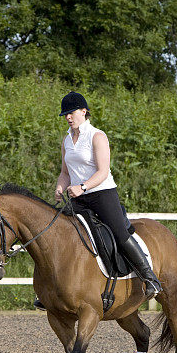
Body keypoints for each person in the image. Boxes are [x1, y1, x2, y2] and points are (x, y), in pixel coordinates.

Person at [34, 92, 162, 310]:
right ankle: (56, 290)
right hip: (77, 197)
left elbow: (103, 172)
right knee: (61, 236)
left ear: (84, 111)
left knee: (120, 233)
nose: (67, 117)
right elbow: (65, 172)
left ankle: (150, 278)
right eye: (65, 114)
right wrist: (60, 186)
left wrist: (82, 186)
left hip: (102, 194)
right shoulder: (67, 140)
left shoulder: (97, 136)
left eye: (71, 113)